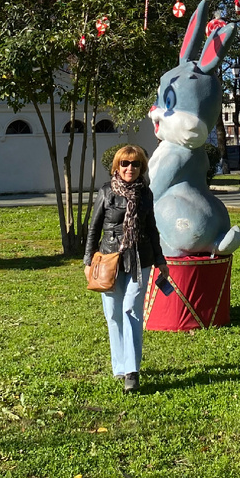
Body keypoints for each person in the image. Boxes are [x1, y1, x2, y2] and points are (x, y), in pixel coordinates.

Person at [84, 145, 169, 393]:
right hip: (109, 260)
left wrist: (160, 259)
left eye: (135, 164)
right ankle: (119, 366)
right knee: (113, 313)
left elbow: (151, 228)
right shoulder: (107, 192)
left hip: (139, 259)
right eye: (125, 164)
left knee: (131, 309)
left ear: (142, 167)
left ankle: (132, 371)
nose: (130, 168)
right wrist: (88, 261)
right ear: (117, 167)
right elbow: (94, 229)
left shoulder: (146, 194)